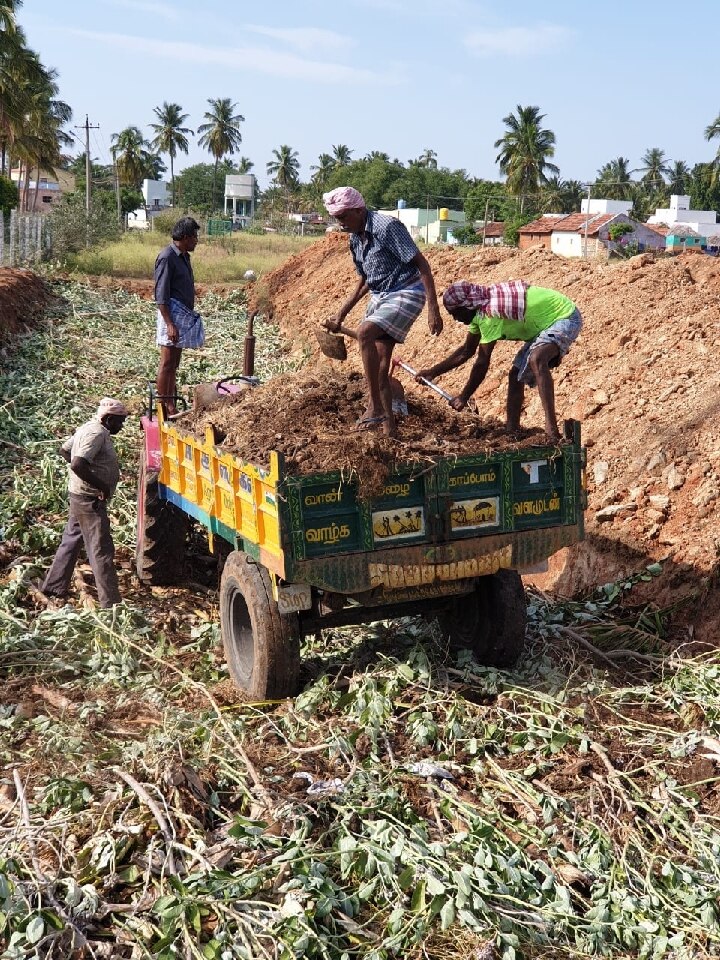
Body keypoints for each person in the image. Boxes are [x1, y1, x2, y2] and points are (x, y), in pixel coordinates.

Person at [323, 187, 443, 437]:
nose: (341, 223)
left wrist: (434, 309)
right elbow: (364, 281)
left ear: (358, 210)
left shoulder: (386, 227)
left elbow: (421, 263)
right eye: (337, 219)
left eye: (344, 217)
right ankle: (390, 429)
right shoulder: (355, 238)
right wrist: (341, 315)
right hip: (380, 295)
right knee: (380, 364)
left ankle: (375, 406)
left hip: (408, 291)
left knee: (365, 332)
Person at [416, 280, 582, 441]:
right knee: (515, 374)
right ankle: (512, 430)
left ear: (467, 306)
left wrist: (464, 396)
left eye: (455, 313)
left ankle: (552, 430)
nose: (455, 319)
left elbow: (482, 362)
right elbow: (466, 351)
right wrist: (432, 372)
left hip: (564, 316)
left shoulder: (489, 313)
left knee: (537, 359)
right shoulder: (478, 315)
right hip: (544, 326)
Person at [41, 397, 130, 609]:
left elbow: (65, 450)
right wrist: (101, 486)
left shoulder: (89, 428)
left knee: (71, 541)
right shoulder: (96, 433)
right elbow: (77, 463)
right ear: (108, 419)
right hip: (89, 500)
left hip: (79, 496)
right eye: (119, 421)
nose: (122, 425)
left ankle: (53, 587)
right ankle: (111, 604)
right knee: (101, 549)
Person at [154, 216, 202, 415]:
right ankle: (162, 406)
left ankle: (170, 402)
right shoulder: (167, 257)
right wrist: (170, 323)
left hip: (181, 315)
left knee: (174, 363)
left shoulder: (183, 256)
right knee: (166, 362)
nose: (196, 241)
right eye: (193, 237)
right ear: (184, 237)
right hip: (170, 316)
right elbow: (161, 294)